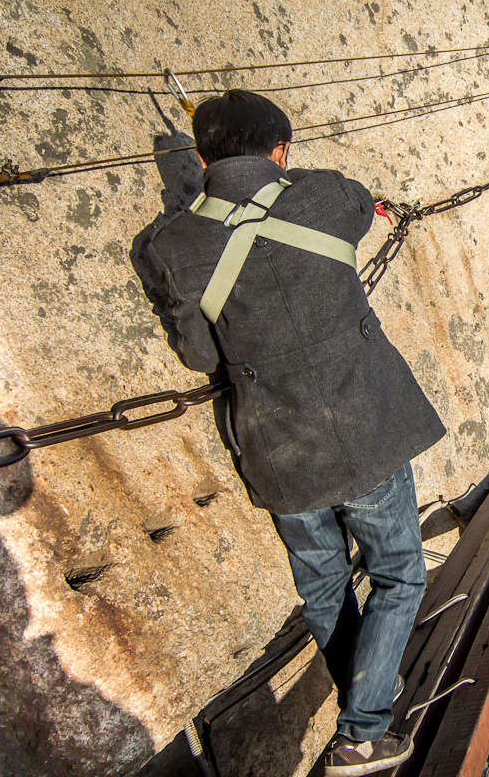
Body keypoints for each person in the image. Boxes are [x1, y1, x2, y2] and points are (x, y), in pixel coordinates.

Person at [136, 90, 445, 776]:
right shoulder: (326, 197)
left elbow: (199, 355)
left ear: (203, 159)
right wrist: (277, 178)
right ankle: (362, 733)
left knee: (327, 588)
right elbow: (361, 204)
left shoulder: (170, 244)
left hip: (279, 450)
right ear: (281, 152)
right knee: (398, 573)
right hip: (365, 430)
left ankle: (369, 692)